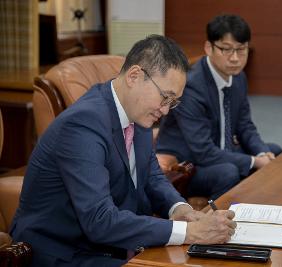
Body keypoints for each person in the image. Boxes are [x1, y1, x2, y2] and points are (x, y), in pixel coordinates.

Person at [10, 35, 236, 267]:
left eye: (173, 102)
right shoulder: (82, 124)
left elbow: (152, 176)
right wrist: (190, 232)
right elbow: (99, 221)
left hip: (109, 246)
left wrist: (180, 210)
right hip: (63, 252)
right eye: (165, 97)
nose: (166, 110)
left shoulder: (139, 111)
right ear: (134, 76)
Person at [156, 15, 282, 200]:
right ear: (209, 48)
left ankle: (255, 206)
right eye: (226, 50)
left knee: (275, 150)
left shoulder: (238, 78)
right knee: (228, 172)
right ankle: (219, 219)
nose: (235, 58)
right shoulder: (190, 86)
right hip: (189, 163)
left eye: (241, 50)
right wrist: (255, 161)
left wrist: (263, 153)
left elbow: (245, 125)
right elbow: (203, 151)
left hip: (221, 151)